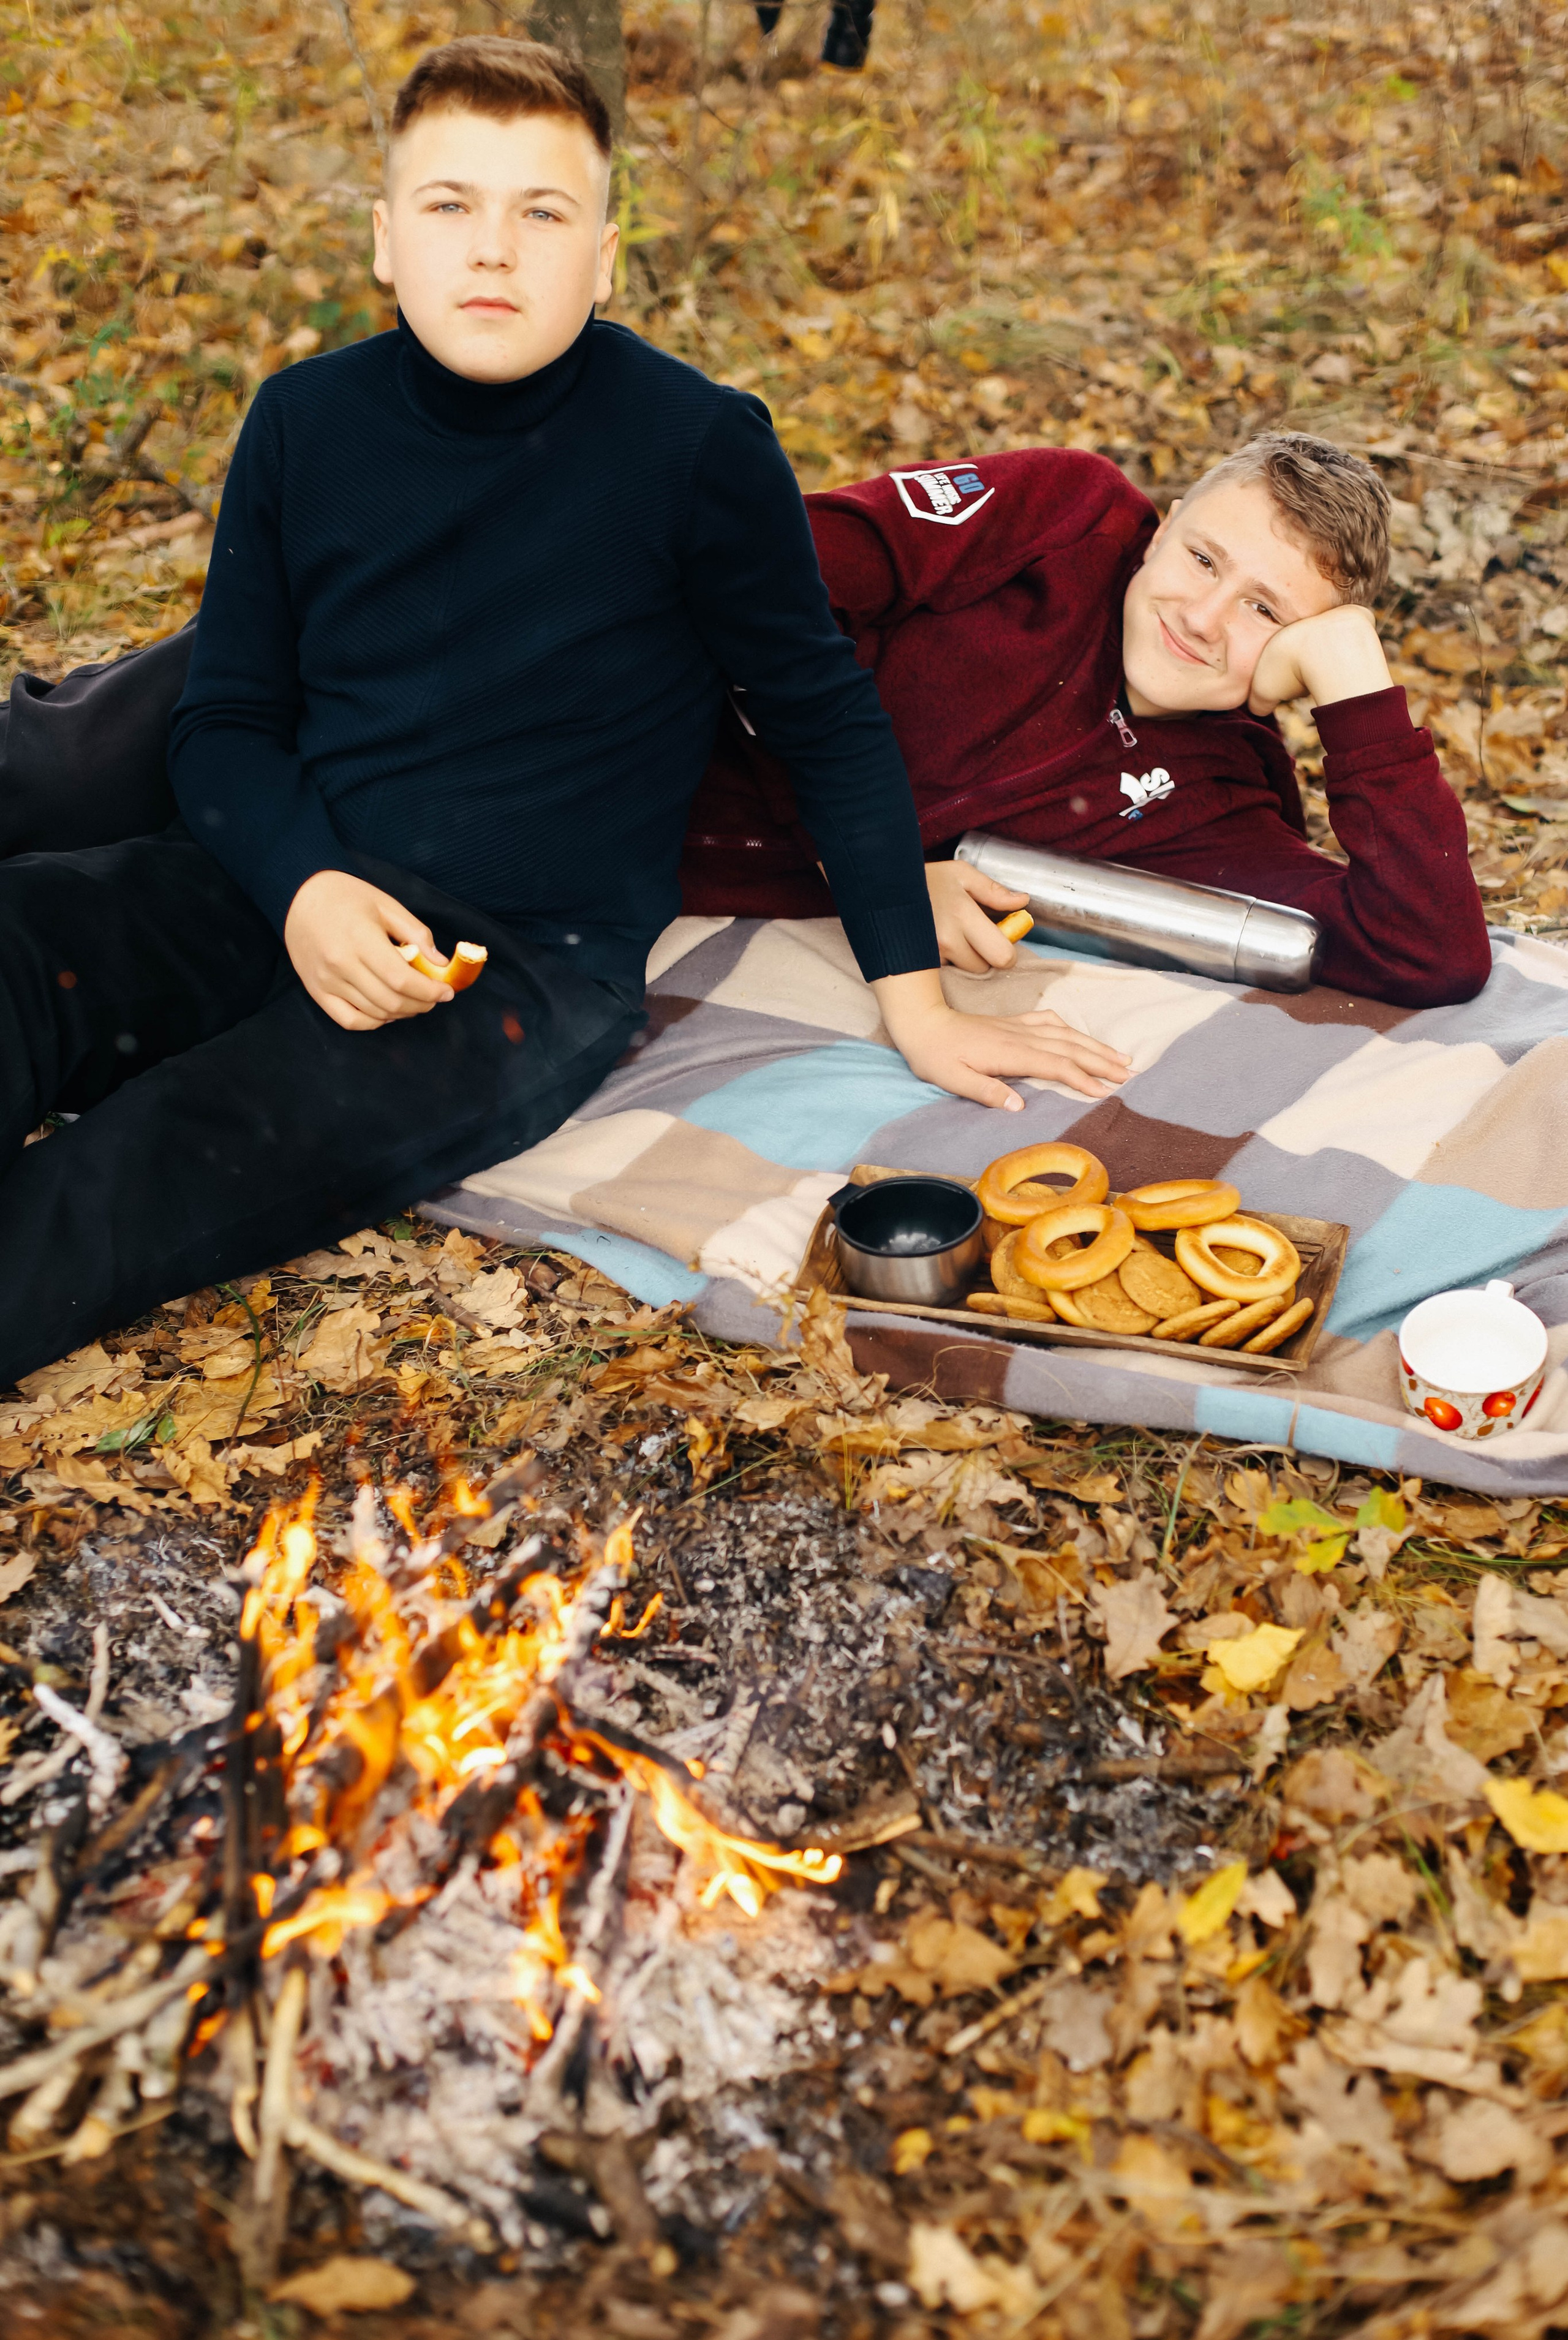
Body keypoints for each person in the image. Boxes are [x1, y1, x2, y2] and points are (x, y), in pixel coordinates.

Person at [0, 36, 1131, 1389]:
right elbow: (227, 720)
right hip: (269, 887)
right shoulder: (307, 424)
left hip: (516, 976)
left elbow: (821, 720)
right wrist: (300, 885)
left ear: (601, 255)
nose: (494, 251)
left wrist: (917, 1000)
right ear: (384, 239)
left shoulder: (696, 447)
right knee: (24, 941)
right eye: (450, 206)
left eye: (541, 213)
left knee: (145, 1162)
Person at [680, 434, 1493, 1006]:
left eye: (1263, 610)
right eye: (1202, 559)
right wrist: (874, 867)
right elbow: (767, 580)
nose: (1203, 617)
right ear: (1165, 526)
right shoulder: (1066, 514)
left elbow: (1427, 951)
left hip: (653, 892)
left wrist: (1357, 688)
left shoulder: (1220, 797)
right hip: (608, 737)